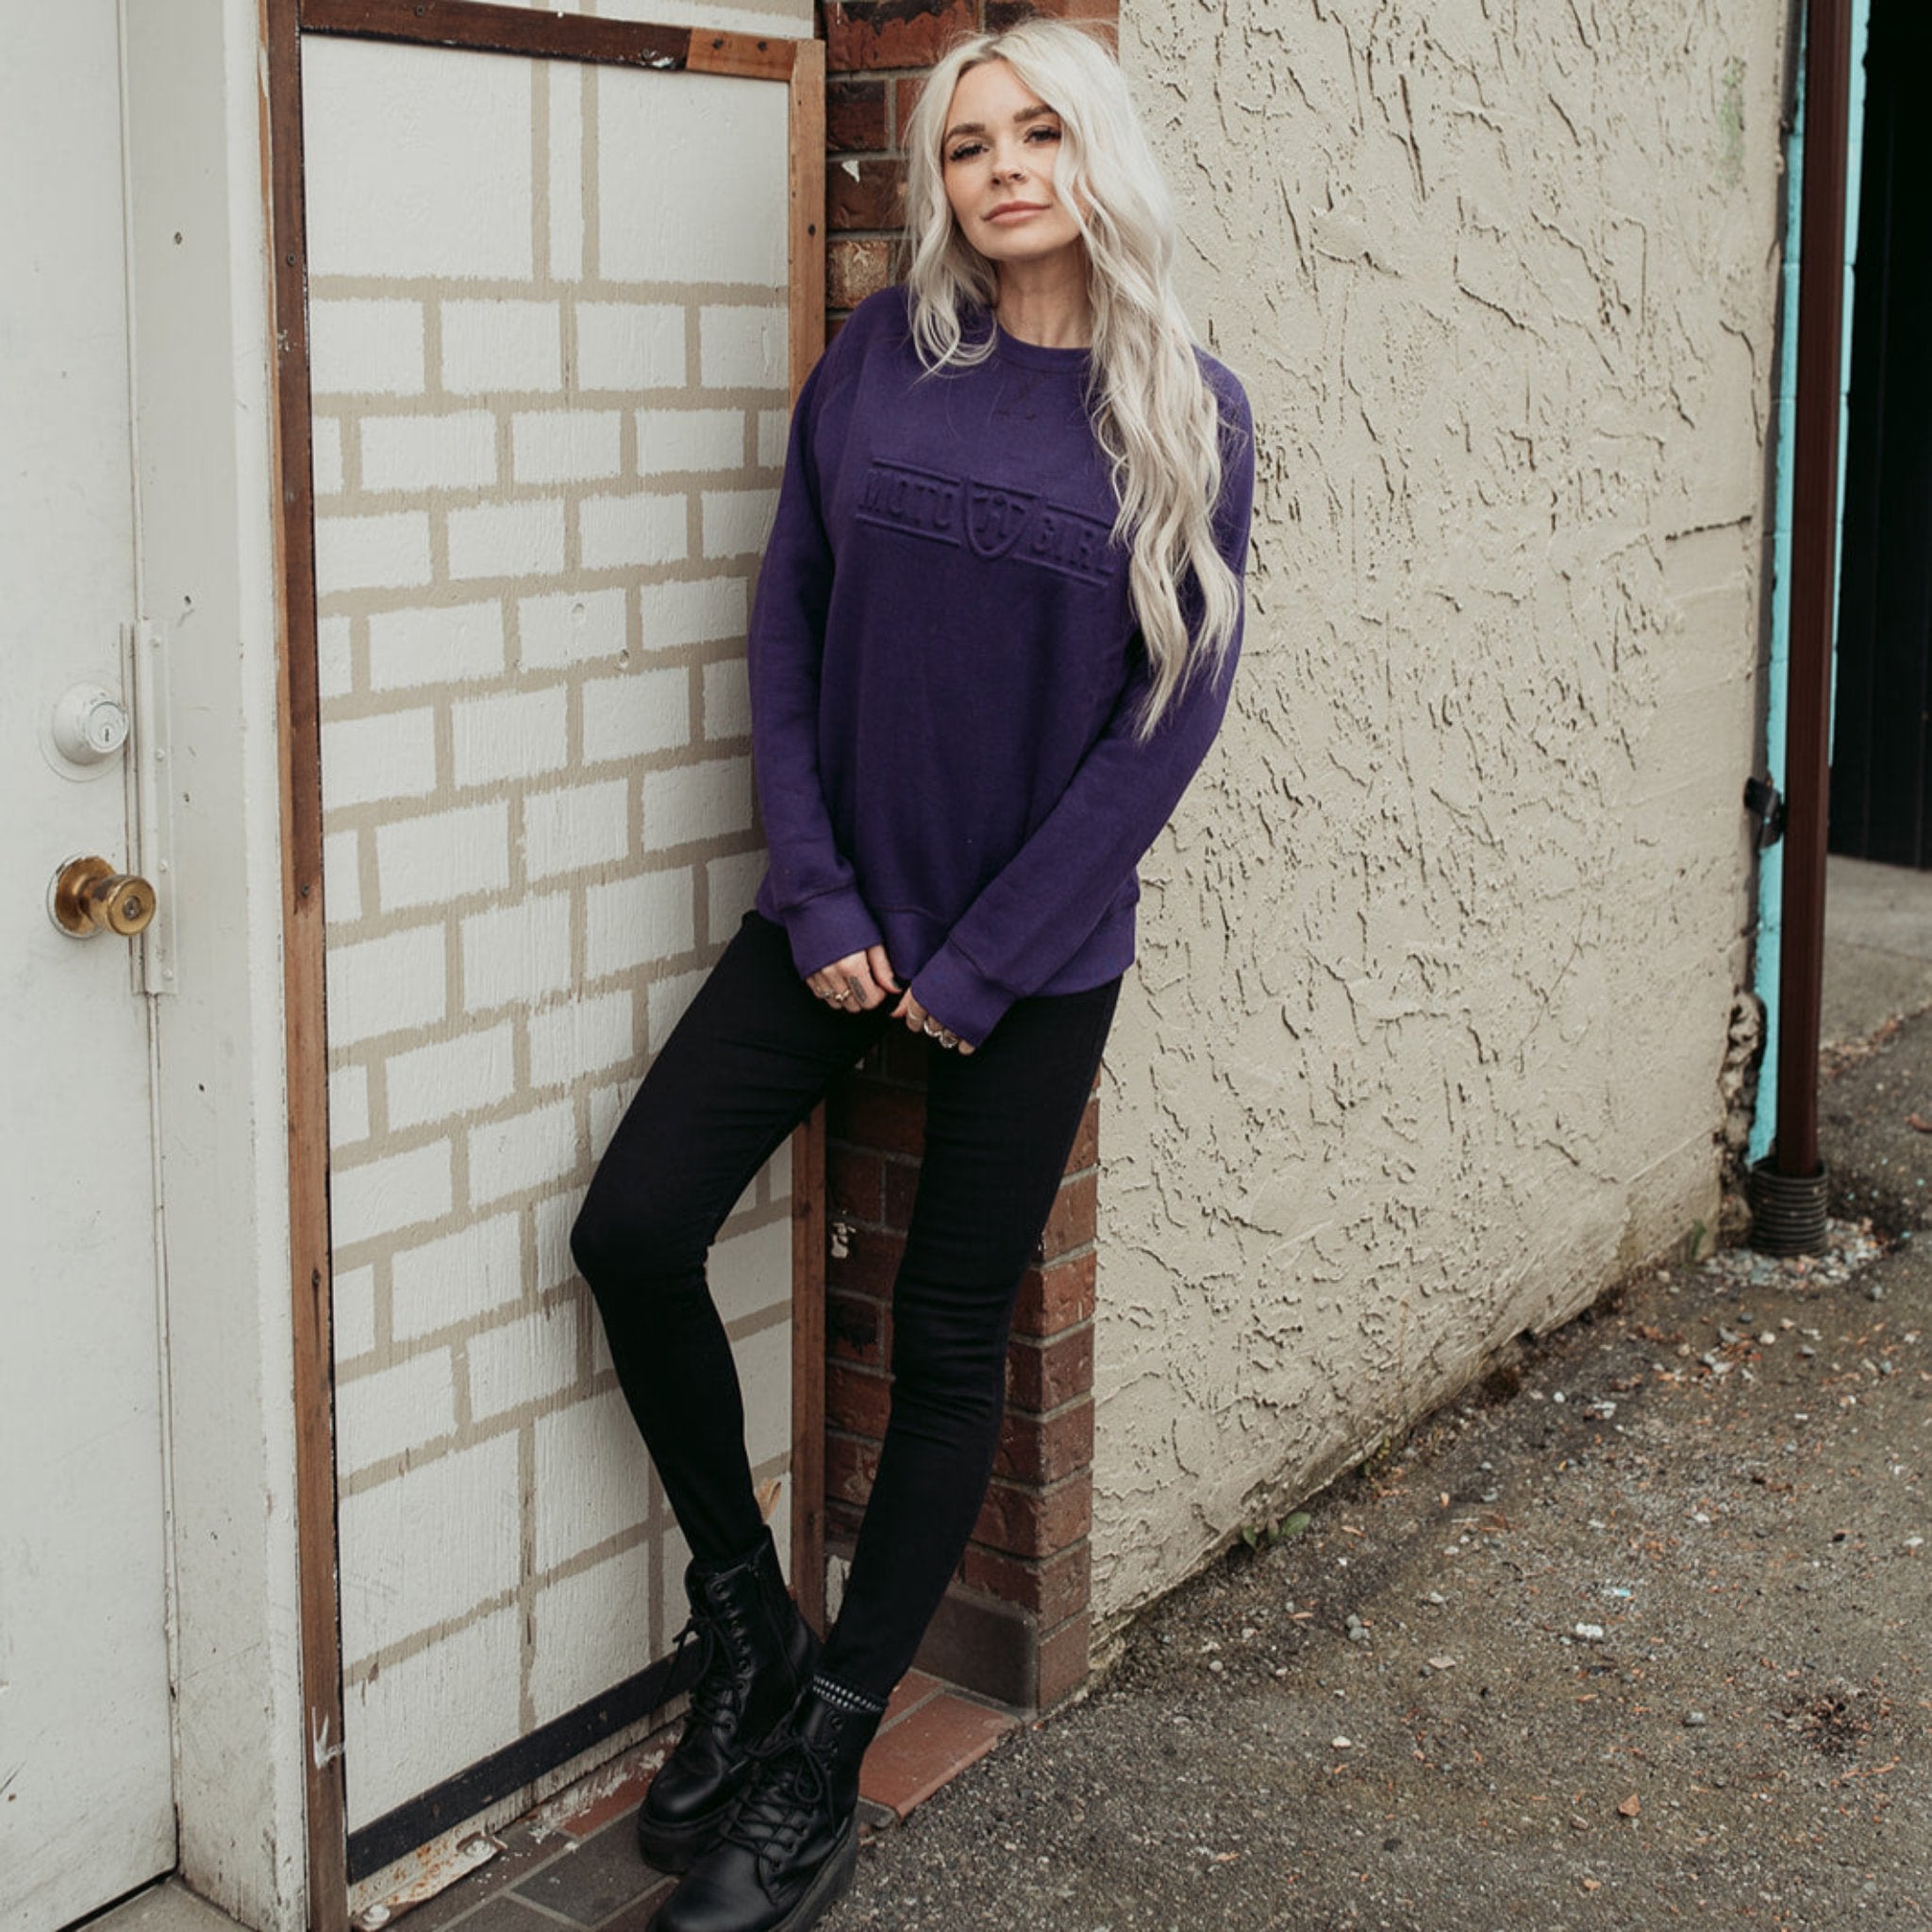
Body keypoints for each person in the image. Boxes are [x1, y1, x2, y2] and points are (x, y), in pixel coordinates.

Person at [568, 18, 1255, 1932]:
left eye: (1038, 132)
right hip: (835, 913)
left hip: (1024, 961)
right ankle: (747, 1619)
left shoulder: (1184, 411)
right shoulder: (880, 359)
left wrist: (984, 958)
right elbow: (784, 617)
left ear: (1095, 153)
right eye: (967, 146)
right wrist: (819, 886)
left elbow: (1162, 729)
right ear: (934, 182)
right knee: (631, 1229)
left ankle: (825, 1753)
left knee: (944, 1342)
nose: (1004, 169)